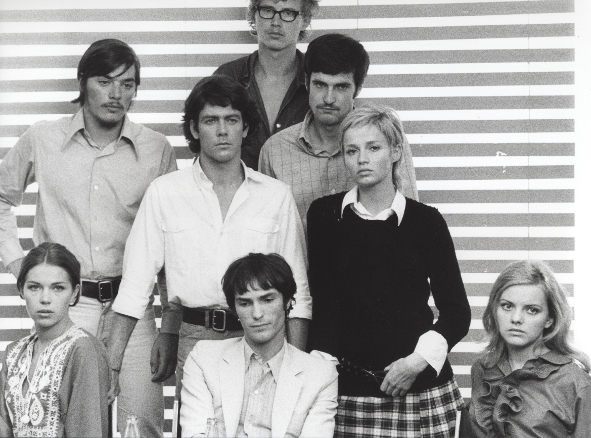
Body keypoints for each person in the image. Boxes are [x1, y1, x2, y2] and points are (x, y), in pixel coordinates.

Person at [0, 39, 177, 437]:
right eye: (105, 81)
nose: (116, 94)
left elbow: (169, 241)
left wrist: (170, 324)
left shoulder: (156, 149)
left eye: (127, 84)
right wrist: (20, 265)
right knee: (59, 422)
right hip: (69, 305)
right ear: (82, 82)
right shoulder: (42, 138)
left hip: (132, 308)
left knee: (140, 424)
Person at [108, 75, 312, 396]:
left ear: (245, 128)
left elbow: (298, 293)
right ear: (193, 128)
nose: (222, 130)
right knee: (198, 422)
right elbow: (135, 284)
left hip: (263, 338)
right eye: (210, 120)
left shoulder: (276, 196)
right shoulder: (165, 193)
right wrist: (112, 364)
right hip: (194, 338)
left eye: (232, 120)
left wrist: (294, 368)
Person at [306, 103, 471, 437]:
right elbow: (324, 308)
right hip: (349, 394)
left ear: (396, 152)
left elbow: (457, 313)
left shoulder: (426, 221)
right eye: (352, 150)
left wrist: (415, 363)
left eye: (374, 148)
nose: (362, 159)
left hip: (420, 390)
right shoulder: (324, 216)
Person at [259, 33, 418, 223]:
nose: (328, 98)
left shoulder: (388, 141)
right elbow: (267, 228)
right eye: (320, 84)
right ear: (307, 82)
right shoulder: (275, 151)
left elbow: (410, 219)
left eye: (341, 87)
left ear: (358, 88)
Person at [181, 253, 337, 437]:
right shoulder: (203, 359)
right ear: (235, 309)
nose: (257, 314)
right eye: (245, 303)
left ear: (287, 302)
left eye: (267, 300)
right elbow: (195, 433)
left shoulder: (320, 374)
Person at [466, 260, 591, 437]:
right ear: (494, 310)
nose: (516, 318)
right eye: (507, 306)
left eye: (531, 310)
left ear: (550, 319)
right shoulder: (483, 368)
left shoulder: (575, 381)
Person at [0, 243, 110, 437]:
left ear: (74, 293)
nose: (45, 298)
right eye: (34, 287)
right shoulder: (14, 353)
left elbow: (87, 432)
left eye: (58, 288)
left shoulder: (83, 349)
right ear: (21, 290)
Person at [213, 0, 319, 169]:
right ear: (254, 15)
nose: (276, 22)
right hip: (238, 185)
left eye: (288, 13)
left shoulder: (320, 81)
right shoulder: (227, 77)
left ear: (305, 20)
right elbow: (206, 150)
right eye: (267, 10)